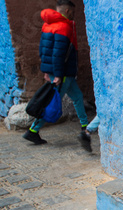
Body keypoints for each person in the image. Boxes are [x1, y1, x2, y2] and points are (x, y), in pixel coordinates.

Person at [23, 0, 90, 147]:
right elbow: (59, 54)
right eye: (73, 12)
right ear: (67, 11)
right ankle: (33, 131)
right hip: (63, 73)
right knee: (51, 103)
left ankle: (85, 126)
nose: (74, 15)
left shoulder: (47, 25)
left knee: (77, 97)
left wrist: (46, 71)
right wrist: (58, 75)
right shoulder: (64, 27)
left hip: (62, 73)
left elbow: (43, 49)